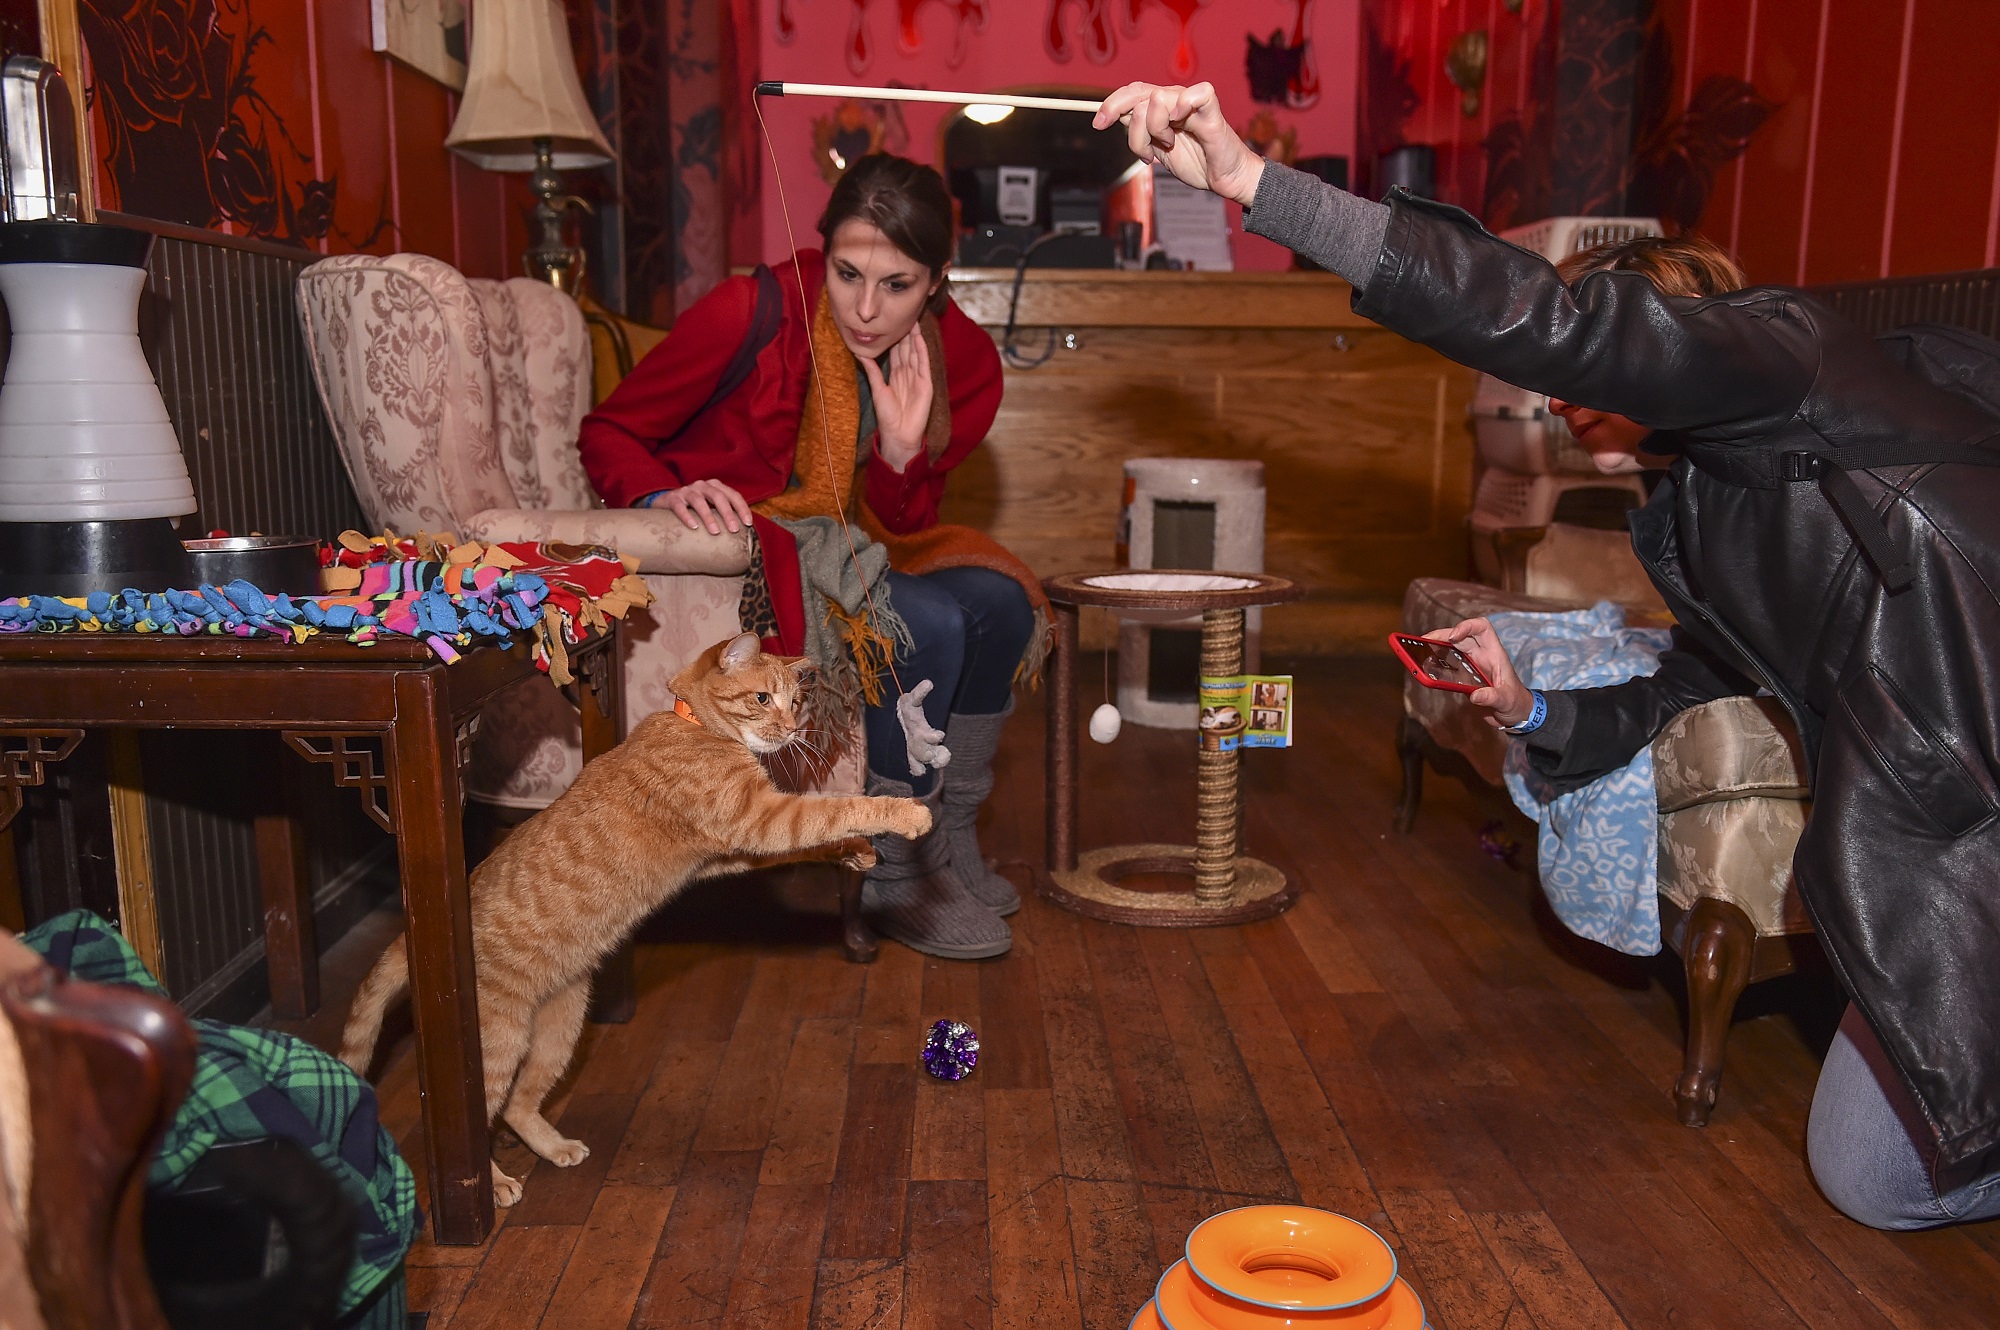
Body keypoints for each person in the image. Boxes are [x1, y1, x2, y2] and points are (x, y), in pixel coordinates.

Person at [1094, 81, 2000, 1229]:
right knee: (1867, 1174)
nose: (1560, 389)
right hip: (1935, 799)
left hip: (1968, 771)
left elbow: (1548, 321)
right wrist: (1528, 707)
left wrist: (1253, 186)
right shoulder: (1697, 512)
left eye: (1603, 352)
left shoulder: (1783, 359)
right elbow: (1682, 684)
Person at [578, 153, 1046, 961]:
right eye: (847, 273)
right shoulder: (751, 310)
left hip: (860, 541)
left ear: (938, 280)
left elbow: (906, 523)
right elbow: (608, 431)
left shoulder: (964, 363)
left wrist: (900, 453)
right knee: (928, 620)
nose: (865, 308)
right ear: (822, 251)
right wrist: (663, 493)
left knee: (1004, 606)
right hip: (761, 543)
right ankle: (897, 869)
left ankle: (951, 834)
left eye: (897, 285)